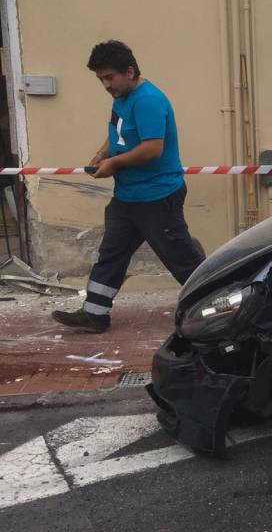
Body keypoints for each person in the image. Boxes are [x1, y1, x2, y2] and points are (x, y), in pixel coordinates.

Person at [52, 41, 206, 333]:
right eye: (100, 79)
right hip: (128, 197)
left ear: (130, 71)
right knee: (111, 255)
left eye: (109, 77)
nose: (105, 84)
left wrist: (115, 164)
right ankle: (94, 314)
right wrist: (103, 154)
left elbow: (152, 149)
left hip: (158, 197)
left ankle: (221, 309)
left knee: (181, 257)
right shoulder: (121, 98)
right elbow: (118, 134)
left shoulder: (149, 100)